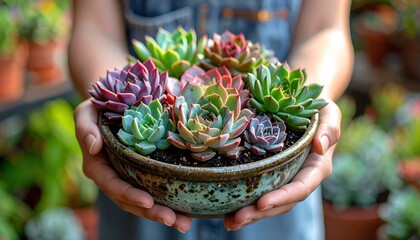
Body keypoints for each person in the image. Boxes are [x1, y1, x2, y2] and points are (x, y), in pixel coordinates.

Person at [69, 0, 354, 239]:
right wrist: (107, 100)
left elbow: (325, 29)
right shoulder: (175, 106)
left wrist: (311, 102)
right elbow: (94, 27)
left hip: (277, 196)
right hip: (142, 195)